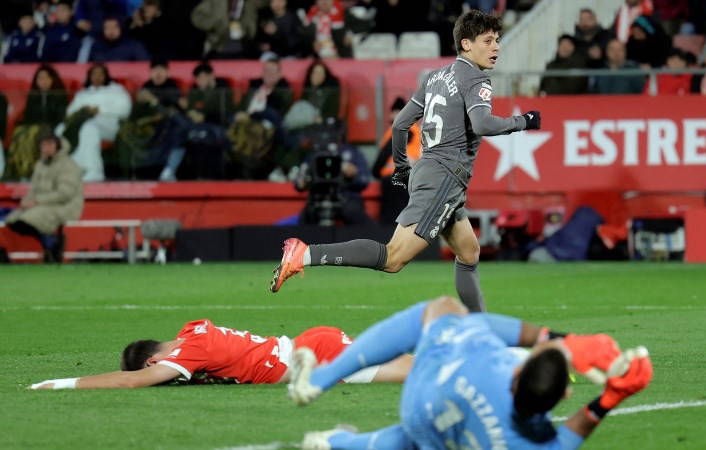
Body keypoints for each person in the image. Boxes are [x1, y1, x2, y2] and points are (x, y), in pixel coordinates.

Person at [270, 11, 541, 314]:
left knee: (469, 252)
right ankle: (305, 254)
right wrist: (523, 121)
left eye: (497, 41)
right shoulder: (477, 79)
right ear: (466, 44)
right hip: (445, 178)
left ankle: (478, 325)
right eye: (488, 41)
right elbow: (482, 124)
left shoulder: (434, 77)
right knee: (393, 258)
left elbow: (400, 124)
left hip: (428, 170)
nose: (496, 47)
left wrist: (402, 169)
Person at [287, 296, 653, 449]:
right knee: (423, 437)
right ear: (565, 395)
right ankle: (335, 443)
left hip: (424, 397)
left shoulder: (493, 362)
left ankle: (322, 380)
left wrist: (558, 338)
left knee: (442, 308)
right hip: (455, 431)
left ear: (517, 372)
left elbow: (464, 318)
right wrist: (610, 399)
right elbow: (565, 441)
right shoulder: (531, 442)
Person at [29, 318, 412, 389]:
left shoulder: (188, 353)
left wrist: (63, 383)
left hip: (314, 358)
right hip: (308, 345)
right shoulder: (192, 329)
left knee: (413, 371)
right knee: (406, 363)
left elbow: (131, 382)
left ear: (153, 361)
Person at [4, 134, 84, 263]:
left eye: (50, 144)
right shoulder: (40, 165)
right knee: (13, 220)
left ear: (58, 146)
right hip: (42, 205)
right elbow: (33, 189)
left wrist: (36, 201)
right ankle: (50, 244)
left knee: (28, 219)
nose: (46, 148)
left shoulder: (68, 165)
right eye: (44, 145)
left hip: (66, 206)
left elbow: (65, 194)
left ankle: (53, 244)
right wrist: (26, 201)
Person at [59, 63, 132, 182]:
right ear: (89, 76)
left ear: (106, 76)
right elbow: (70, 113)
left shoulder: (116, 89)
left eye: (100, 74)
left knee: (89, 128)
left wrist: (100, 110)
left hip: (111, 125)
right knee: (60, 129)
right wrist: (84, 111)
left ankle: (94, 171)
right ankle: (72, 170)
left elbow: (125, 109)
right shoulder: (83, 93)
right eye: (94, 74)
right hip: (84, 123)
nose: (97, 77)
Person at [6, 65, 69, 180]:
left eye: (46, 78)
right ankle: (19, 171)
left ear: (52, 79)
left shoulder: (60, 95)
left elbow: (60, 117)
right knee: (19, 132)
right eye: (40, 78)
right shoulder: (33, 96)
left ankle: (31, 171)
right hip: (33, 127)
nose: (43, 81)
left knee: (35, 134)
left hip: (52, 127)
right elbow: (28, 117)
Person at [371, 97, 422, 225]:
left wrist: (375, 171)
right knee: (402, 217)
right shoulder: (414, 129)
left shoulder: (403, 127)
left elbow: (385, 153)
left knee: (391, 218)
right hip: (406, 178)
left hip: (396, 179)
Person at [191, 0, 262, 59]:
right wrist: (214, 24)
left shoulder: (248, 2)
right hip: (218, 46)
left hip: (244, 47)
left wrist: (249, 30)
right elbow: (197, 16)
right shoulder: (215, 1)